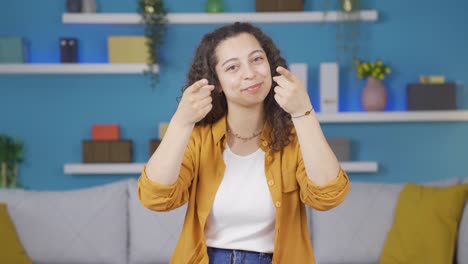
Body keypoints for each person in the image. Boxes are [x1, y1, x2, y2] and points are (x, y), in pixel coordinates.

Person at [137, 22, 350, 264]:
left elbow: (328, 197)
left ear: (271, 66)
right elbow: (155, 198)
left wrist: (303, 113)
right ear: (215, 83)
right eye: (233, 67)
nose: (250, 73)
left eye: (257, 59)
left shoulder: (294, 137)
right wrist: (181, 122)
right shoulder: (200, 138)